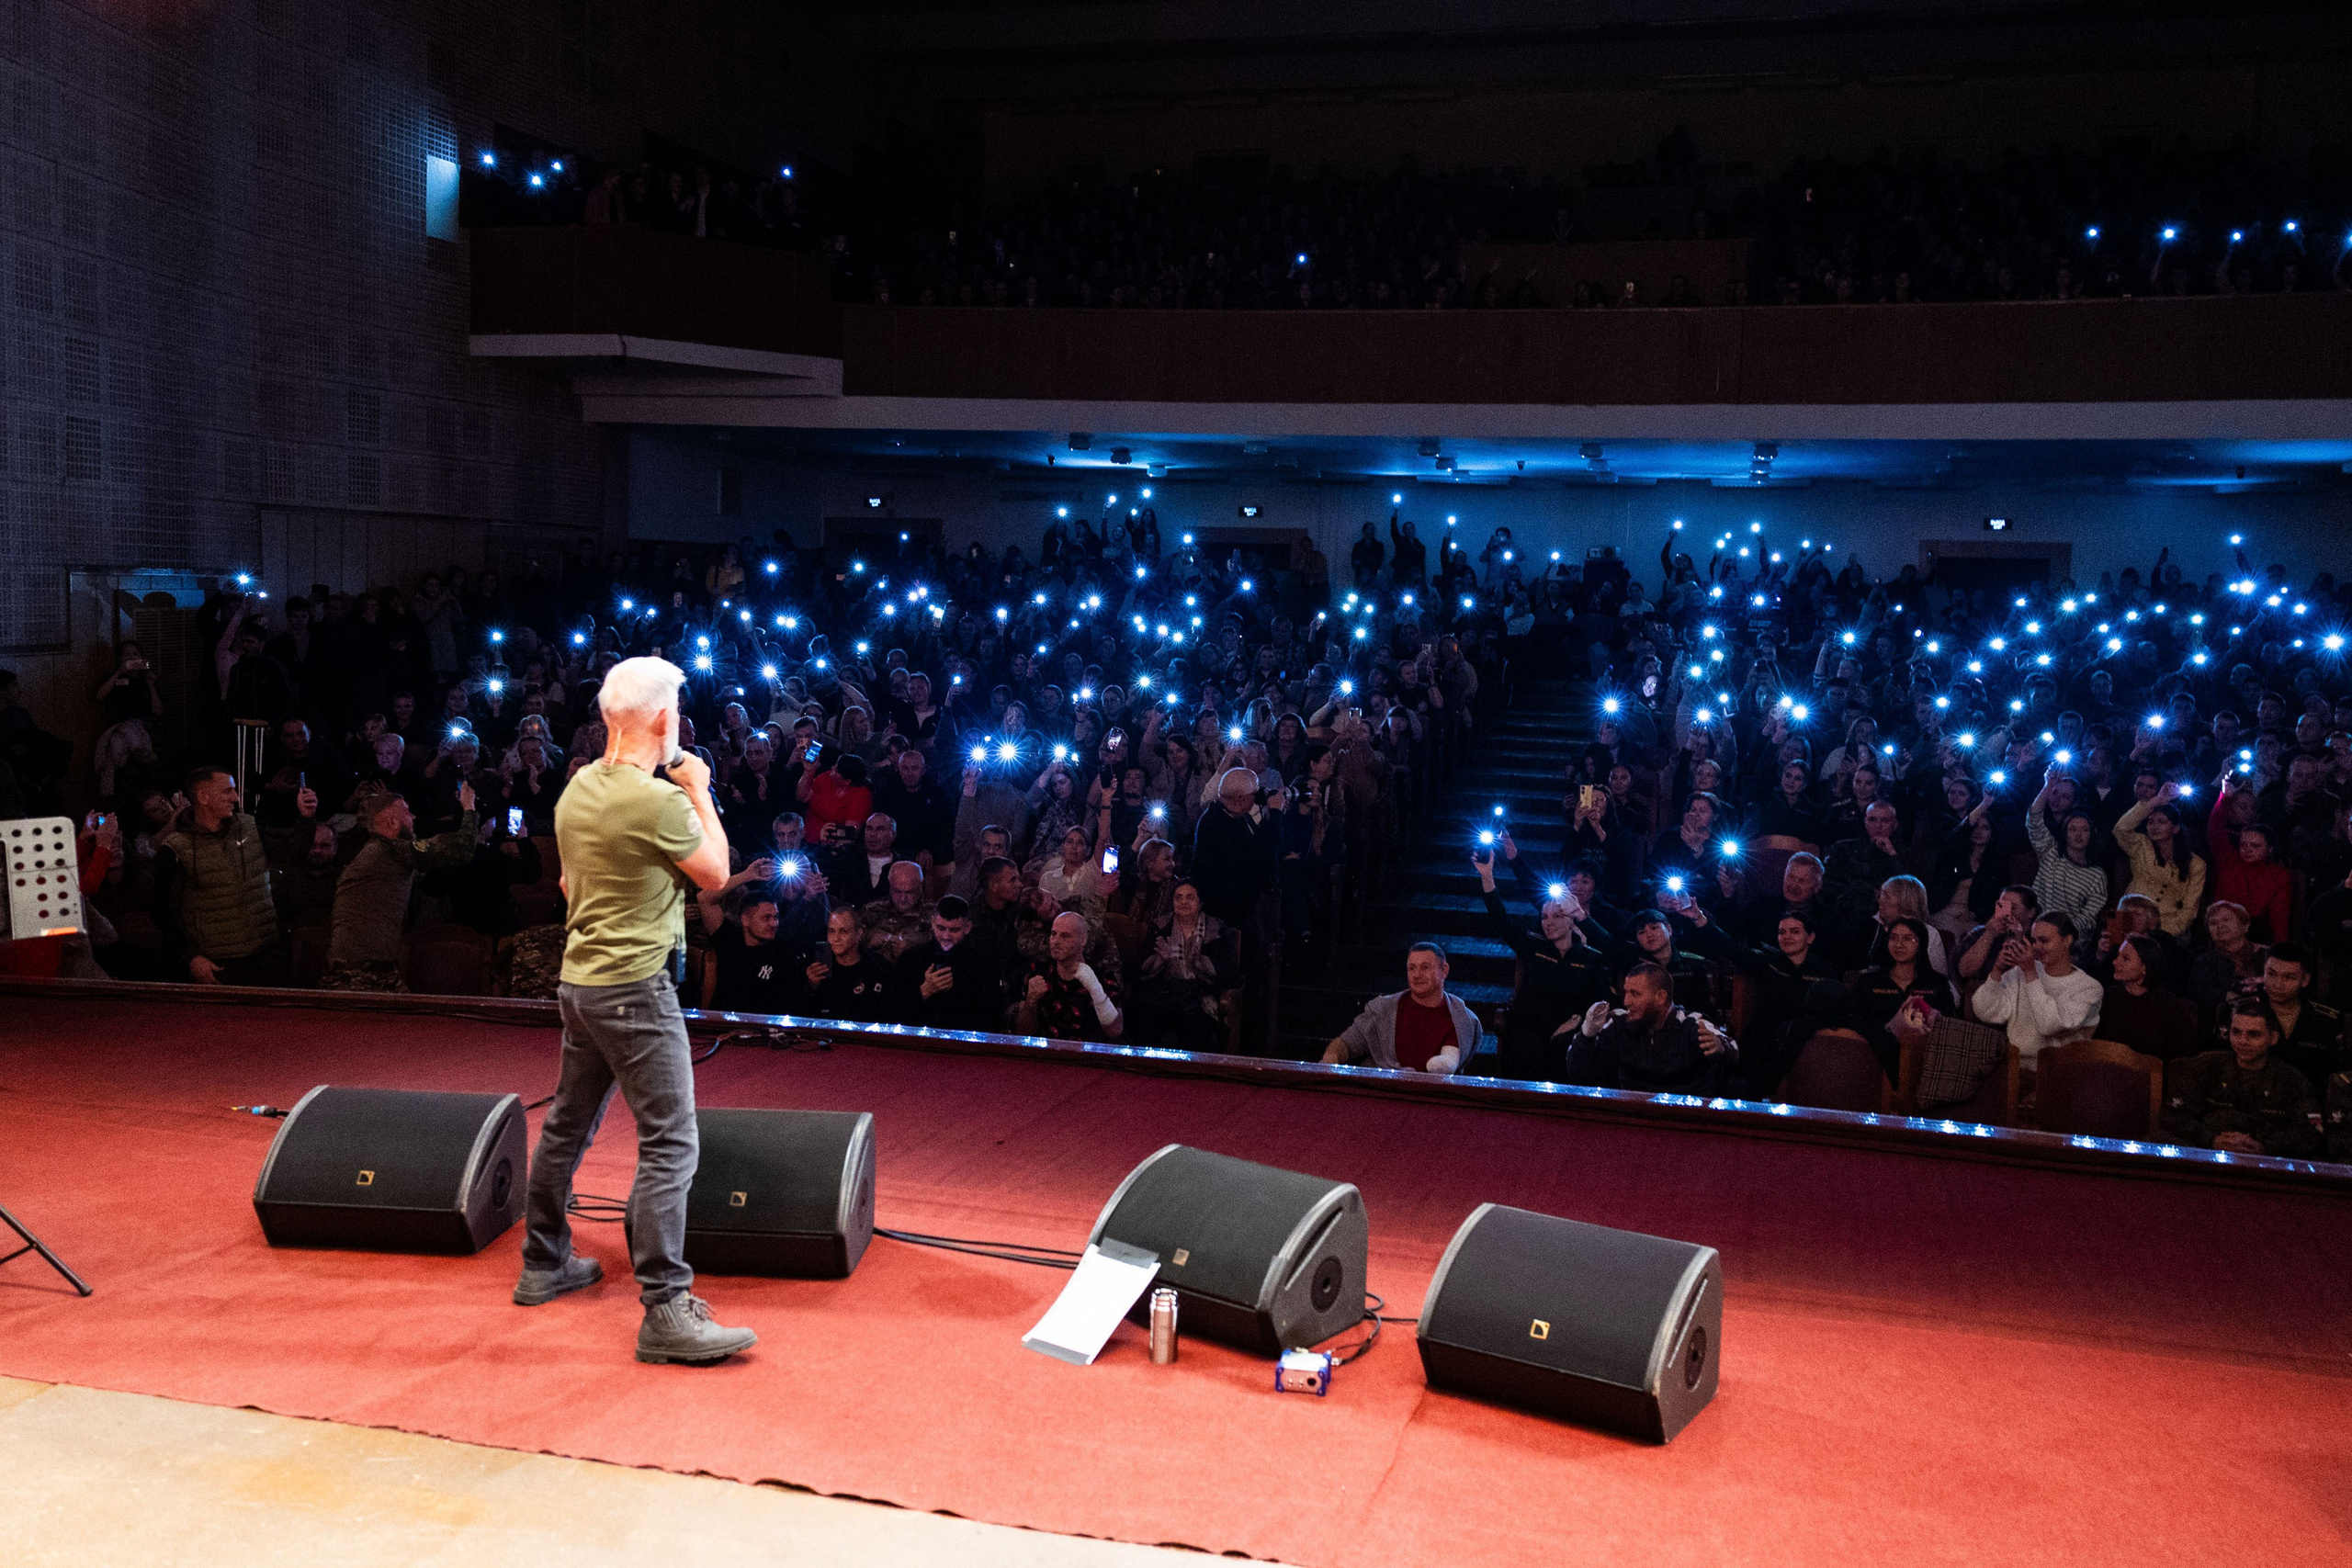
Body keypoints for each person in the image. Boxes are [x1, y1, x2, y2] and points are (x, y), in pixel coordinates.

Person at [515, 656, 755, 1367]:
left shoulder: (578, 788)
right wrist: (700, 789)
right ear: (662, 718)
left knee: (567, 1124)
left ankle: (543, 1262)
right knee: (671, 1143)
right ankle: (666, 1309)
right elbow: (717, 873)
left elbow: (569, 884)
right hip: (636, 989)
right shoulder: (659, 802)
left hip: (581, 983)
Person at [322, 784, 480, 992]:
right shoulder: (389, 850)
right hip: (359, 975)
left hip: (370, 969)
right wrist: (469, 808)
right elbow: (460, 849)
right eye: (407, 811)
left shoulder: (378, 854)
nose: (413, 817)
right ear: (392, 822)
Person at [154, 766, 301, 987]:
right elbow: (162, 909)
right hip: (219, 963)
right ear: (204, 797)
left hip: (268, 955)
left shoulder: (249, 827)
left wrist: (306, 820)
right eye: (227, 791)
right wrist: (191, 956)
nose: (236, 797)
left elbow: (290, 855)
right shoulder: (175, 848)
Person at [1476, 847, 1608, 1080]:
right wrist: (1487, 876)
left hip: (1569, 1033)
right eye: (1545, 916)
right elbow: (1500, 920)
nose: (1549, 922)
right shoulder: (1533, 946)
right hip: (1529, 1032)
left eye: (1557, 916)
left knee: (1566, 1051)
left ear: (1572, 921)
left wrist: (1576, 1022)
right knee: (1528, 1048)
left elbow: (1597, 1003)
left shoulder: (1591, 958)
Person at [2158, 999, 2324, 1157]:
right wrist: (2212, 1140)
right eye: (2236, 1032)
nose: (2243, 1041)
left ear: (2273, 1038)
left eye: (2254, 1034)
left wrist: (2265, 1147)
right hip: (2205, 1153)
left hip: (2266, 1160)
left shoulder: (2292, 1080)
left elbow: (2312, 1131)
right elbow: (2172, 1115)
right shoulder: (2204, 1066)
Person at [1566, 961, 1738, 1094]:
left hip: (1686, 1116)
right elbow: (1578, 1072)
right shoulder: (1619, 1023)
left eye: (1635, 994)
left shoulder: (1691, 1024)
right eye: (1626, 992)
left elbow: (1733, 1050)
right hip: (1634, 1114)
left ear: (1660, 997)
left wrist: (1721, 1048)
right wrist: (1587, 1033)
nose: (1626, 1001)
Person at [1320, 941, 1478, 1075]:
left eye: (1425, 968)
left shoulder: (1461, 1019)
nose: (1417, 975)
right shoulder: (1383, 1009)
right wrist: (1331, 1058)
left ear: (1444, 971)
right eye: (1412, 968)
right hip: (1382, 1090)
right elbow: (1346, 1044)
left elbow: (1450, 1065)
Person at [1970, 911, 2100, 1068]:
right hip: (2014, 1066)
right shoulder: (2021, 971)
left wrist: (2031, 974)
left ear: (2067, 940)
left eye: (2044, 941)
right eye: (2034, 940)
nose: (2036, 947)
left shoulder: (2089, 988)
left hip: (2059, 1072)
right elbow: (1985, 1011)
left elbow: (2050, 1025)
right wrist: (1997, 971)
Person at [1129, 880, 1236, 1052]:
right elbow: (1137, 969)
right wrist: (1159, 960)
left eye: (1190, 897)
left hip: (1199, 995)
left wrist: (1200, 962)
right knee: (1142, 1015)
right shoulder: (1160, 927)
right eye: (1178, 897)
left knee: (1195, 1023)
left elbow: (1230, 973)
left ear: (1200, 903)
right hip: (1164, 994)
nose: (1183, 902)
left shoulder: (1217, 931)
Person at [1014, 910, 1124, 1041]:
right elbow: (1022, 1033)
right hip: (1047, 1049)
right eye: (1053, 934)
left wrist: (1095, 988)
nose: (1055, 941)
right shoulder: (1038, 971)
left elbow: (1115, 1031)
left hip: (1086, 1050)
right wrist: (1031, 1001)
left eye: (1065, 936)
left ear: (1083, 940)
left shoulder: (1101, 974)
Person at [894, 896, 995, 1032]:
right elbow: (893, 1010)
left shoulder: (983, 965)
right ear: (932, 923)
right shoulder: (910, 959)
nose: (946, 936)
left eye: (954, 930)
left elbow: (990, 1017)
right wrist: (923, 991)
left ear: (967, 927)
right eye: (941, 928)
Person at [2098, 933, 2200, 1061]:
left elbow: (2184, 1056)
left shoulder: (2169, 1007)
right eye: (2118, 956)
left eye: (2126, 958)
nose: (2115, 962)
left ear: (2144, 968)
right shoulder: (2108, 998)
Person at [701, 886, 797, 1014]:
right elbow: (704, 899)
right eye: (766, 917)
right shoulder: (729, 941)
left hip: (762, 1024)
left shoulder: (782, 955)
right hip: (724, 1022)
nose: (774, 923)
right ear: (745, 919)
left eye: (776, 917)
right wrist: (749, 876)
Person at [803, 905, 893, 1021]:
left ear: (858, 933)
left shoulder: (878, 967)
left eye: (843, 931)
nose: (836, 938)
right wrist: (811, 987)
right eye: (831, 931)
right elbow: (800, 1013)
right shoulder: (817, 968)